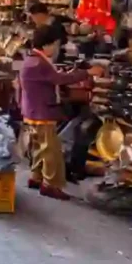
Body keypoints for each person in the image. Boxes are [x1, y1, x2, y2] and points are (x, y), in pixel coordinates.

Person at [20, 25, 98, 201]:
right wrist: (86, 73)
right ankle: (51, 185)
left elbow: (53, 78)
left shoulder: (33, 60)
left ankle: (36, 177)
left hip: (33, 110)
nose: (56, 49)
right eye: (55, 45)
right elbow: (59, 79)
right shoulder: (39, 62)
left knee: (40, 147)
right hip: (42, 111)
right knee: (51, 151)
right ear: (49, 44)